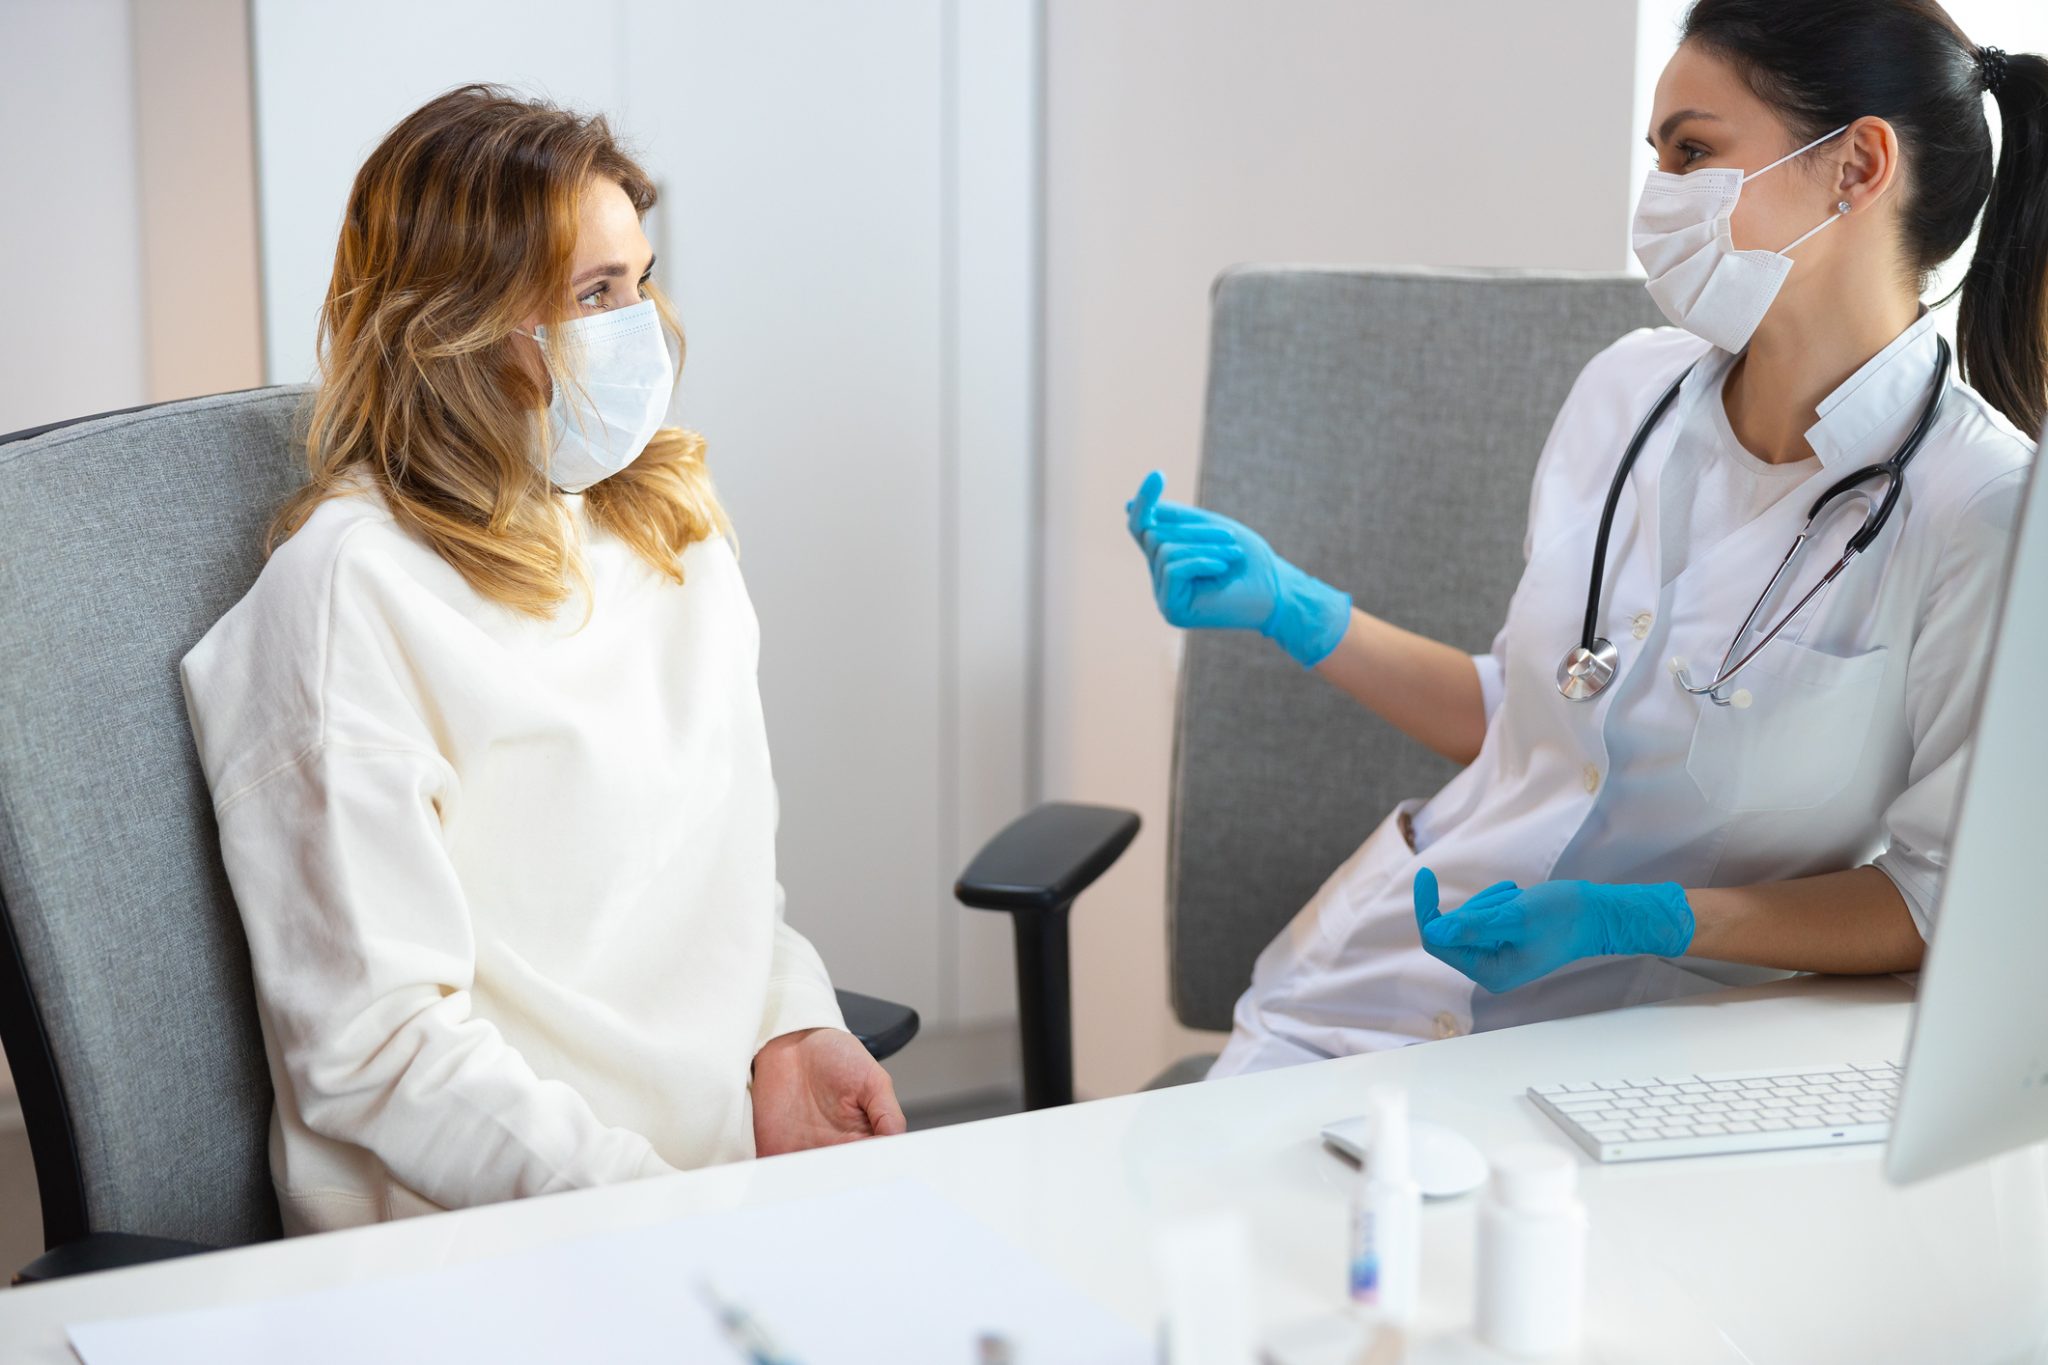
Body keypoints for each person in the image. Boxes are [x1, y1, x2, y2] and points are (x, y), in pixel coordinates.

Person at [1127, 1, 2047, 1076]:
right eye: (1654, 156)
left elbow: (1934, 901)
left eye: (1691, 150)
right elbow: (1540, 723)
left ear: (1854, 165)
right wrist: (1293, 608)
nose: (1656, 198)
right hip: (1356, 998)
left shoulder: (1978, 511)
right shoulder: (1624, 390)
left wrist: (1648, 920)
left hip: (1632, 1056)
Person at [181, 85, 903, 1234]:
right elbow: (378, 1050)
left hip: (713, 1200)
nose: (640, 329)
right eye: (592, 294)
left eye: (640, 281)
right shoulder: (347, 596)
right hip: (497, 1239)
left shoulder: (666, 528)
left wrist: (789, 1022)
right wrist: (656, 1219)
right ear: (450, 328)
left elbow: (713, 876)